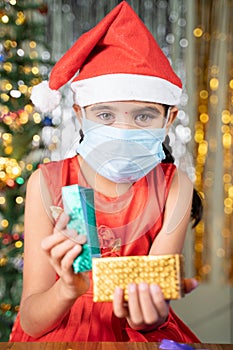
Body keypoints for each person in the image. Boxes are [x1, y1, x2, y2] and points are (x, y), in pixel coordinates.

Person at [10, 1, 202, 343]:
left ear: (169, 119)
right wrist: (67, 289)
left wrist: (150, 314)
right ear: (80, 113)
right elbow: (33, 322)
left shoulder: (175, 187)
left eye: (143, 116)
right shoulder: (47, 183)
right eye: (105, 115)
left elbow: (153, 308)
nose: (124, 130)